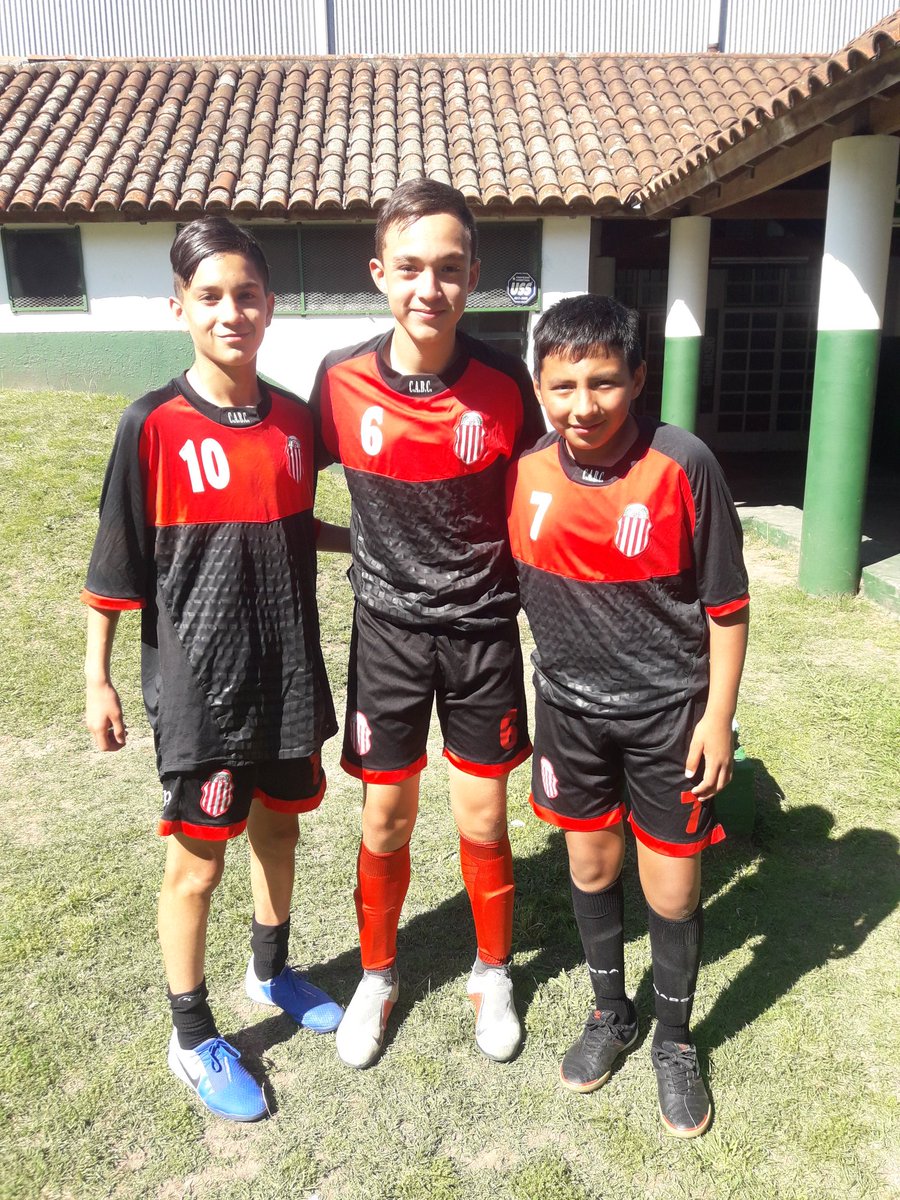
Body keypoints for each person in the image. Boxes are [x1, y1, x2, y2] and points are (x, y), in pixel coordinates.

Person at [83, 217, 347, 1122]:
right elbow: (115, 564)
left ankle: (270, 970)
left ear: (269, 306)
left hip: (288, 668)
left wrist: (367, 542)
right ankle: (191, 1035)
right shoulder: (150, 423)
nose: (230, 310)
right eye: (210, 295)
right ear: (179, 307)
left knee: (281, 831)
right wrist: (99, 677)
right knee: (196, 868)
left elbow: (288, 520)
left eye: (246, 294)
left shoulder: (297, 420)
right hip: (201, 685)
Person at [310, 179, 546, 1069]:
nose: (429, 287)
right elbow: (289, 492)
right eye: (410, 267)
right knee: (384, 823)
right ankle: (378, 973)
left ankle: (493, 970)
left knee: (484, 820)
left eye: (449, 269)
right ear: (379, 273)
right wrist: (352, 542)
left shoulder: (503, 383)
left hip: (484, 633)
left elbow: (544, 500)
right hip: (390, 635)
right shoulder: (338, 380)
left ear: (474, 275)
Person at [506, 294, 749, 1138]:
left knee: (673, 889)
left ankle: (675, 1039)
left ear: (638, 378)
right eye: (563, 385)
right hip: (571, 715)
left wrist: (717, 717)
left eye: (604, 383)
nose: (584, 405)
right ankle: (612, 1012)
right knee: (591, 869)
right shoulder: (528, 471)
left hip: (668, 718)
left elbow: (725, 606)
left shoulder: (683, 464)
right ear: (540, 387)